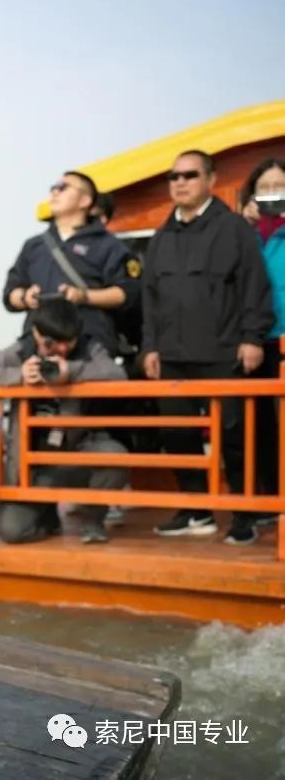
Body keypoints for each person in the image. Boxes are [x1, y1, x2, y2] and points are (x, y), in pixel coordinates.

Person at [141, 149, 275, 544]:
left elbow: (255, 286)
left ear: (211, 180)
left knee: (235, 439)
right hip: (172, 357)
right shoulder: (161, 237)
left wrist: (252, 338)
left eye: (190, 175)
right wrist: (149, 347)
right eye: (174, 176)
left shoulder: (234, 229)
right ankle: (196, 511)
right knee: (178, 437)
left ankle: (244, 516)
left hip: (223, 352)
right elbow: (149, 298)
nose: (180, 182)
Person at [0, 298, 128, 544]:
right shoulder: (21, 351)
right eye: (51, 344)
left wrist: (72, 372)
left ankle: (92, 518)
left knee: (116, 457)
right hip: (35, 463)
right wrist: (19, 376)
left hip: (78, 451)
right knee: (12, 531)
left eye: (69, 342)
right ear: (36, 333)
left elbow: (118, 375)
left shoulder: (88, 350)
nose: (61, 350)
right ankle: (47, 519)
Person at [3, 171, 141, 358]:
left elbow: (128, 293)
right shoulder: (34, 246)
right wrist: (25, 298)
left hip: (90, 346)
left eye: (63, 187)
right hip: (38, 346)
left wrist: (84, 296)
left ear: (84, 200)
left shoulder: (109, 245)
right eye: (53, 188)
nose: (54, 192)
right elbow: (11, 292)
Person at [238, 159, 285, 504]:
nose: (272, 194)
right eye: (264, 187)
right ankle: (268, 497)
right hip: (254, 340)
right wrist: (241, 228)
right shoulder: (241, 234)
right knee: (260, 426)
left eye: (279, 186)